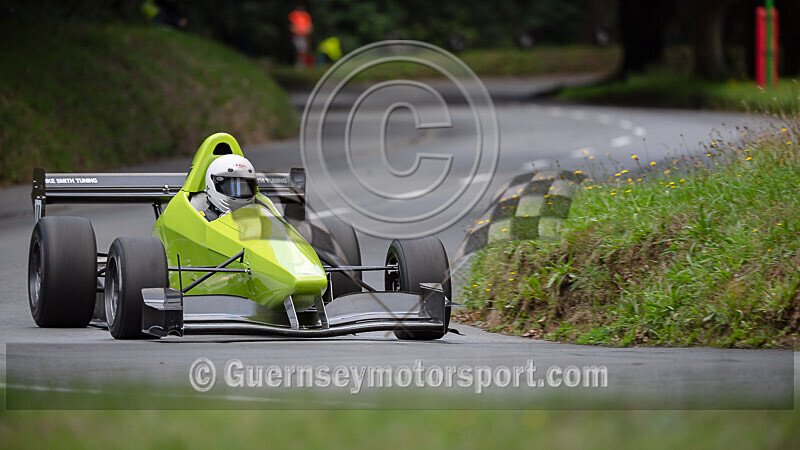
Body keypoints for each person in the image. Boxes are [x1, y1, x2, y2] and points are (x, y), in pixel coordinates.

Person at [202, 155, 258, 220]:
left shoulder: (259, 214)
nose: (239, 192)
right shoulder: (203, 219)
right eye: (232, 188)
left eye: (244, 188)